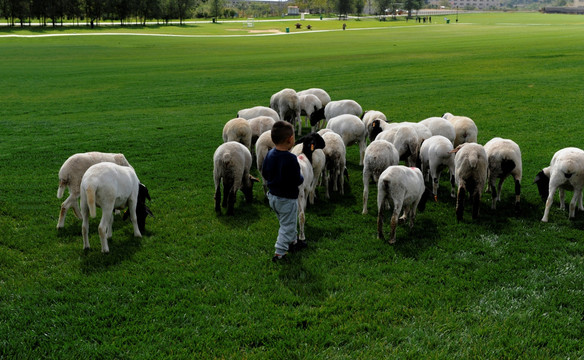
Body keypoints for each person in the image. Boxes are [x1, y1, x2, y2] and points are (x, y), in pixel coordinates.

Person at [262, 121, 306, 262]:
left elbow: (265, 173)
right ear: (290, 139)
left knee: (288, 222)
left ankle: (293, 242)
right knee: (287, 226)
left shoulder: (269, 154)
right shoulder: (291, 159)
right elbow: (296, 179)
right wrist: (301, 178)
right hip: (287, 199)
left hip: (273, 197)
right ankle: (279, 253)